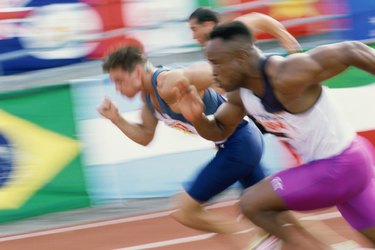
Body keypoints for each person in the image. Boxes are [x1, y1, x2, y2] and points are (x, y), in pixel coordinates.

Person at [176, 20, 375, 249]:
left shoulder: (287, 73)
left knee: (252, 203)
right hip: (347, 164)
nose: (213, 72)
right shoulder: (240, 95)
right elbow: (219, 130)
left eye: (216, 63)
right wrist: (196, 118)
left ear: (240, 58)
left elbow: (352, 51)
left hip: (340, 165)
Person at [97, 45, 265, 236]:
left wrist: (215, 80)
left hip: (240, 143)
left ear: (136, 72)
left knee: (186, 210)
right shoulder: (149, 99)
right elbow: (145, 137)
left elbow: (209, 72)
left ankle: (249, 240)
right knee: (266, 214)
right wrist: (116, 119)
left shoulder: (167, 82)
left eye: (119, 81)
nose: (117, 89)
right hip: (234, 144)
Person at [188, 7, 301, 53]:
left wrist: (283, 35)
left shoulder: (230, 32)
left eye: (194, 29)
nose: (193, 36)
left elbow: (258, 18)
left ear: (208, 25)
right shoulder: (212, 49)